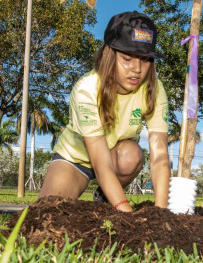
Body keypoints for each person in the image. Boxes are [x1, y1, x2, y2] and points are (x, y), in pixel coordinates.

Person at [39, 11, 170, 212]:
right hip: (76, 158)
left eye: (144, 60)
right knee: (47, 211)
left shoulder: (154, 88)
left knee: (132, 154)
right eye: (127, 59)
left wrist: (161, 212)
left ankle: (103, 199)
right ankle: (113, 200)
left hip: (119, 156)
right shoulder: (87, 89)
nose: (136, 69)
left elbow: (160, 155)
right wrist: (128, 215)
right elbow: (101, 163)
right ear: (110, 55)